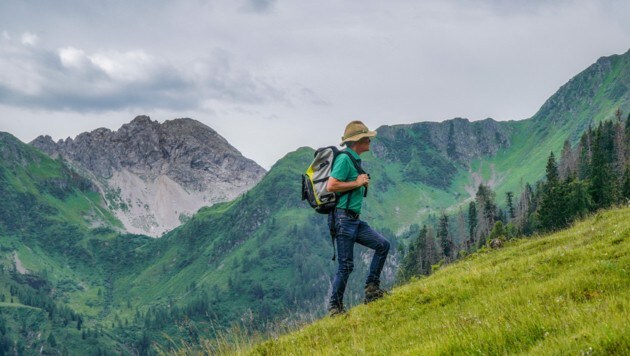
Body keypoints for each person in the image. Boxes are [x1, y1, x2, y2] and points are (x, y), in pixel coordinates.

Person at [326, 120, 391, 317]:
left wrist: (359, 183)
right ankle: (334, 308)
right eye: (367, 139)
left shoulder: (354, 159)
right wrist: (356, 182)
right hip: (343, 219)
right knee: (346, 266)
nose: (370, 141)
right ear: (358, 141)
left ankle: (372, 289)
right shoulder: (345, 159)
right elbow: (331, 185)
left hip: (352, 219)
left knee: (383, 245)